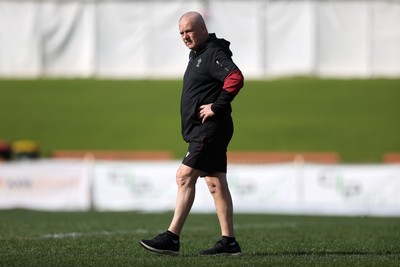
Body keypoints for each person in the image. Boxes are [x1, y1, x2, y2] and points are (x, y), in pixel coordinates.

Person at [140, 11, 244, 256]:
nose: (185, 36)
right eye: (181, 33)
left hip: (209, 130)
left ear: (203, 29)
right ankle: (229, 243)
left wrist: (216, 106)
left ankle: (172, 237)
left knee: (184, 176)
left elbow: (235, 77)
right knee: (215, 183)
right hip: (205, 130)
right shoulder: (197, 53)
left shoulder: (212, 52)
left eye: (189, 31)